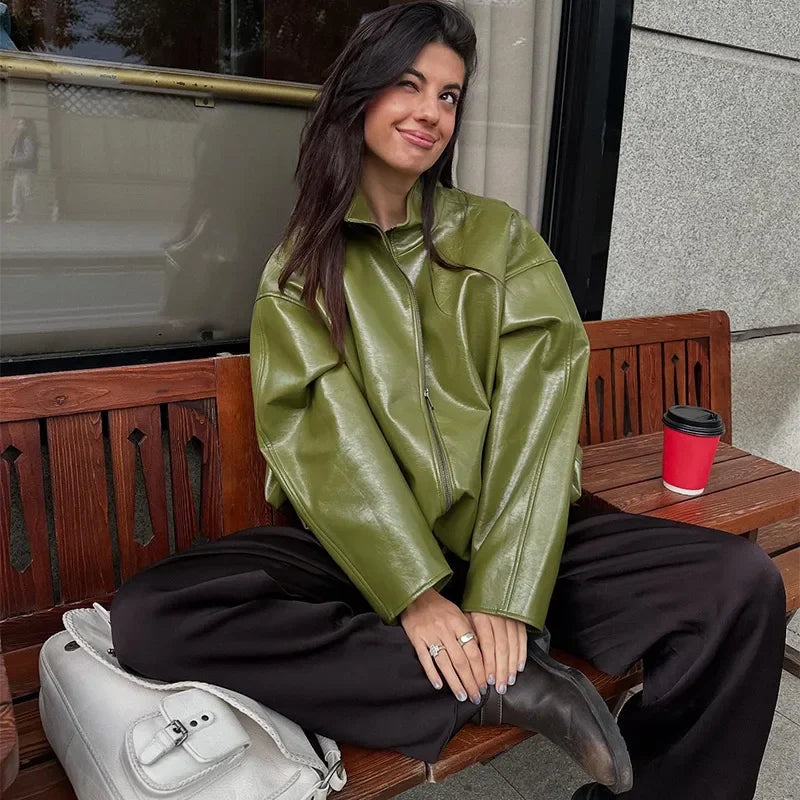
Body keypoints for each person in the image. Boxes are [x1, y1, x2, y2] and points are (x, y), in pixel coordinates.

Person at [110, 4, 786, 798]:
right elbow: (324, 446)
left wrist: (506, 589)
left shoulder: (500, 240)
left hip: (516, 535)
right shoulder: (301, 271)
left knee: (739, 585)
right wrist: (415, 593)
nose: (431, 111)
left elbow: (540, 409)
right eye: (409, 84)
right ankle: (495, 686)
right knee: (152, 616)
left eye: (449, 95)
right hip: (365, 554)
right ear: (360, 92)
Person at [4, 118, 38, 222]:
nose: (18, 126)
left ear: (26, 127)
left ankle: (31, 217)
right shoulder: (20, 139)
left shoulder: (27, 140)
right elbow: (17, 154)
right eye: (18, 124)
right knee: (16, 194)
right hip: (19, 170)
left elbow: (29, 157)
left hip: (27, 171)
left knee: (28, 195)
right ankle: (17, 216)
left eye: (20, 124)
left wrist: (13, 161)